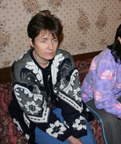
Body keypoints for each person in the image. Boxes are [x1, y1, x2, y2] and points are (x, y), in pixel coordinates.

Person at [8, 10, 95, 144]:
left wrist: (77, 132)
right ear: (31, 42)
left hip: (60, 105)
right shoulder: (21, 68)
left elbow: (71, 99)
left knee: (88, 140)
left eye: (54, 40)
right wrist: (72, 139)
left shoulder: (64, 59)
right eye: (43, 41)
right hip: (36, 117)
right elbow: (37, 113)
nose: (50, 47)